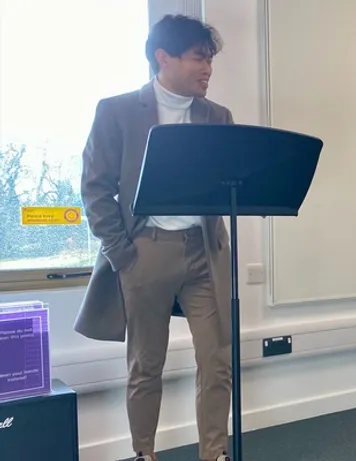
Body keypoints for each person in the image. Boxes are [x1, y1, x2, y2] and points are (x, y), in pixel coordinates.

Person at [74, 15, 235, 461]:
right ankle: (144, 453)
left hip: (204, 252)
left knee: (218, 361)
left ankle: (215, 453)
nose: (208, 69)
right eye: (199, 58)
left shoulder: (217, 116)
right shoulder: (117, 111)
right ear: (164, 57)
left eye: (210, 60)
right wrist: (122, 253)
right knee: (146, 364)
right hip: (145, 251)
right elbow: (95, 189)